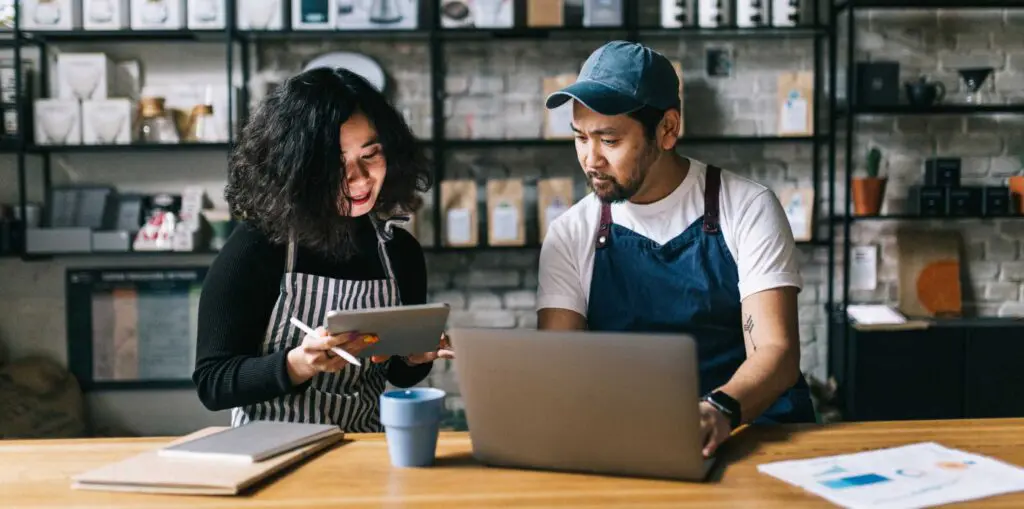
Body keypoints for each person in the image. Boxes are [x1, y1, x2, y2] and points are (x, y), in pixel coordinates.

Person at [536, 41, 817, 457]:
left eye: (609, 141)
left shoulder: (747, 208)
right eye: (580, 137)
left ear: (667, 129)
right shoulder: (570, 233)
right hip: (635, 438)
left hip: (751, 430)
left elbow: (776, 351)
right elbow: (558, 366)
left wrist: (718, 411)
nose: (590, 159)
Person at [192, 67, 453, 431]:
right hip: (269, 453)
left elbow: (398, 375)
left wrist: (415, 358)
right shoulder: (257, 246)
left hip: (363, 451)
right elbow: (213, 382)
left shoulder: (399, 252)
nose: (360, 178)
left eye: (371, 154)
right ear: (297, 169)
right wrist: (299, 363)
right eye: (335, 164)